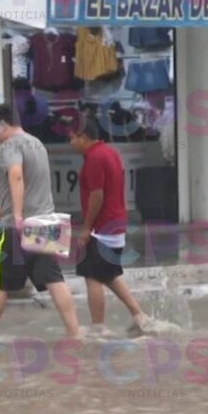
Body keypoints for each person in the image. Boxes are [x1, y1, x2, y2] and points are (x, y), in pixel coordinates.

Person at [0, 104, 81, 338]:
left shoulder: (10, 145)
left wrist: (15, 215)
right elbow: (31, 183)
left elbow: (16, 176)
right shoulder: (37, 143)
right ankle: (75, 332)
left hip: (17, 227)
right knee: (54, 279)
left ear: (2, 124)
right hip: (45, 223)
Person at [69, 112, 152, 332]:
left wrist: (86, 228)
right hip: (115, 225)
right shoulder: (110, 153)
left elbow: (97, 196)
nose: (71, 143)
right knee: (109, 274)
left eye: (72, 138)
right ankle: (139, 315)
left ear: (83, 137)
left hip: (101, 228)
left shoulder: (95, 158)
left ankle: (98, 327)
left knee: (92, 276)